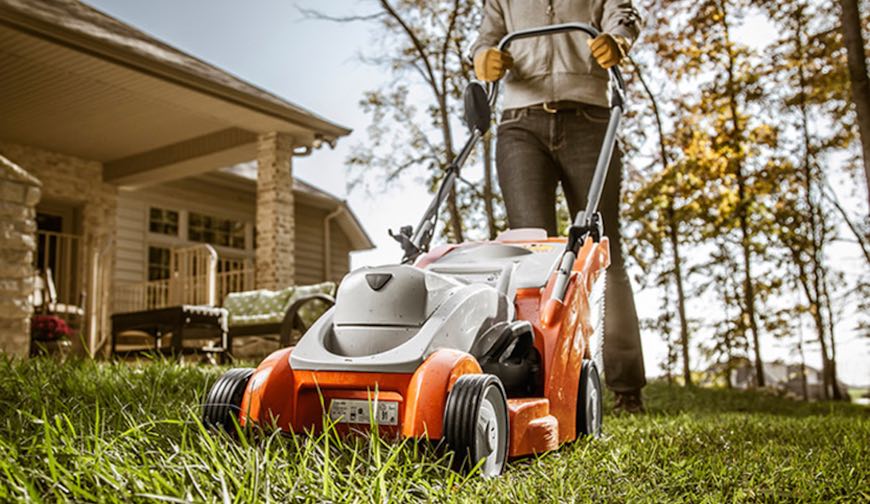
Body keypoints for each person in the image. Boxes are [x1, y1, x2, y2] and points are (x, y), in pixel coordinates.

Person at [470, 0, 646, 413]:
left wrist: (618, 40)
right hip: (520, 125)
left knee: (604, 252)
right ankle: (533, 378)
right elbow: (485, 38)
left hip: (590, 119)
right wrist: (483, 58)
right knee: (530, 257)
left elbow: (624, 13)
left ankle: (626, 389)